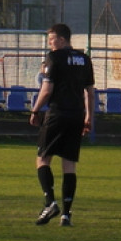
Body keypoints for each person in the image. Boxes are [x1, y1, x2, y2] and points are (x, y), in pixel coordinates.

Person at [31, 23, 95, 227]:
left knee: (42, 158)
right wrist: (89, 117)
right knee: (69, 164)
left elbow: (47, 90)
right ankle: (66, 215)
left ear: (61, 39)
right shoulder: (84, 59)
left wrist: (35, 110)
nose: (50, 44)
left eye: (51, 40)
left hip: (57, 114)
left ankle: (50, 202)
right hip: (77, 115)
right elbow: (90, 92)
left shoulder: (54, 58)